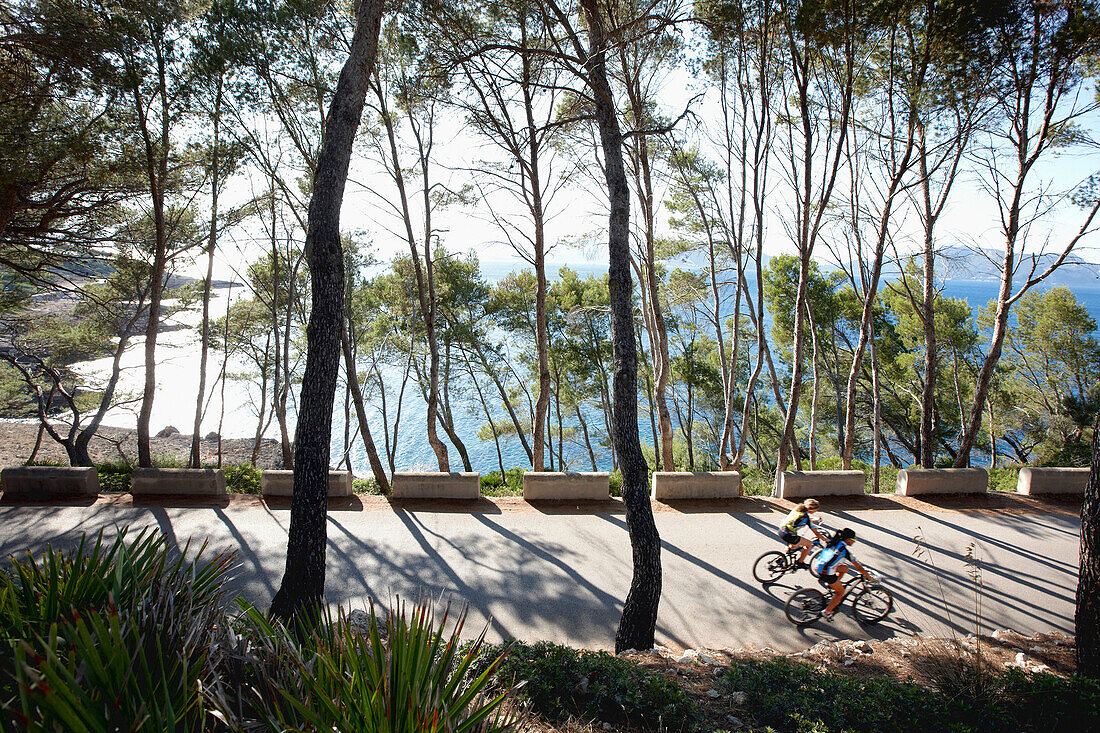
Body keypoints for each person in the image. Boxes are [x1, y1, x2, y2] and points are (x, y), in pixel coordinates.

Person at [812, 527, 875, 621]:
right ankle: (827, 612)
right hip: (826, 572)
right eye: (853, 539)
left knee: (845, 568)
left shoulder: (833, 542)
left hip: (818, 566)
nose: (854, 541)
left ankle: (833, 586)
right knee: (841, 592)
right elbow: (859, 568)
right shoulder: (845, 551)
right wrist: (869, 577)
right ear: (848, 539)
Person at [778, 498, 827, 568]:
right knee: (809, 544)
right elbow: (817, 533)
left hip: (782, 531)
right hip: (789, 535)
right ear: (812, 510)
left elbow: (801, 519)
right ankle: (800, 562)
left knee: (793, 546)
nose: (816, 511)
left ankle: (780, 559)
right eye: (816, 510)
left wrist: (815, 519)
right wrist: (826, 540)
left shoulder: (798, 509)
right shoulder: (806, 517)